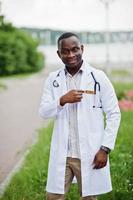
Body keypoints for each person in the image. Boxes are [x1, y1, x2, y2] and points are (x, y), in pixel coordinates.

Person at [39, 32, 121, 200]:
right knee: (53, 197)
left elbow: (114, 113)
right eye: (65, 51)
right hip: (65, 153)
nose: (71, 55)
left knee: (89, 198)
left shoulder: (98, 77)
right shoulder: (53, 79)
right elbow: (43, 112)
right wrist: (62, 100)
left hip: (90, 153)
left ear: (82, 49)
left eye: (75, 49)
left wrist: (105, 149)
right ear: (58, 54)